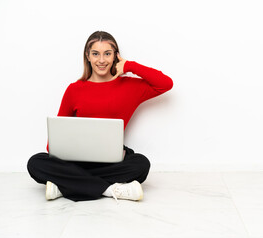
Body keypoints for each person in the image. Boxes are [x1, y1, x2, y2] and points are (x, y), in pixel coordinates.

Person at [27, 31, 173, 202]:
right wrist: (64, 149)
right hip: (78, 159)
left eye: (107, 54)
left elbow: (165, 83)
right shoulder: (74, 89)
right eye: (95, 54)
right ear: (87, 56)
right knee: (35, 162)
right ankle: (111, 190)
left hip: (112, 160)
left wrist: (130, 66)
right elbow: (53, 144)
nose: (102, 60)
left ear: (115, 56)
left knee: (141, 164)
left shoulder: (130, 87)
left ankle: (64, 186)